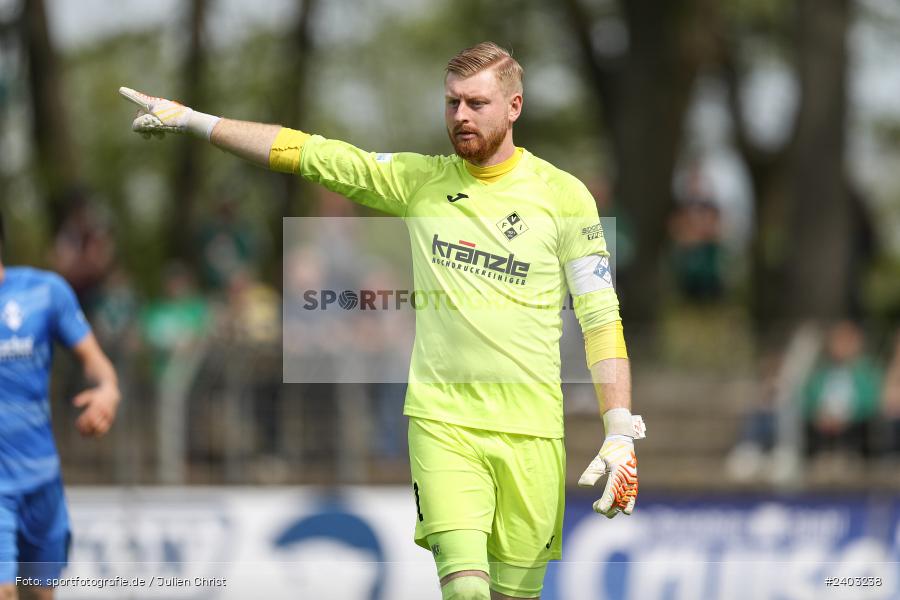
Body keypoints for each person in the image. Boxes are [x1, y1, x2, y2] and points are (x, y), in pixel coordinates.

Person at [120, 41, 643, 600]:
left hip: (534, 432)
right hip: (444, 424)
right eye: (451, 103)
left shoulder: (566, 197)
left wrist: (619, 429)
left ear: (514, 106)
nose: (460, 116)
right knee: (466, 591)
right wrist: (195, 120)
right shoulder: (420, 181)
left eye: (476, 103)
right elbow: (309, 152)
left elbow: (600, 317)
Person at [0, 211, 121, 600]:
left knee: (41, 593)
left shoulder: (44, 292)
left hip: (42, 479)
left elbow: (98, 365)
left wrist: (107, 391)